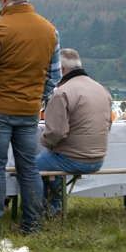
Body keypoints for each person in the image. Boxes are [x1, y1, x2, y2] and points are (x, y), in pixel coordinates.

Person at [0, 0, 61, 238]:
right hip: (30, 109)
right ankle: (32, 225)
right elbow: (53, 76)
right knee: (29, 167)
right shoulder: (49, 29)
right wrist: (38, 99)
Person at [38, 49, 112, 217]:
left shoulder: (62, 92)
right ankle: (55, 208)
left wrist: (44, 141)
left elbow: (55, 133)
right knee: (49, 160)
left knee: (30, 167)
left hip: (73, 159)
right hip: (98, 159)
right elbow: (108, 126)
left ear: (61, 69)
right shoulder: (101, 89)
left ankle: (38, 215)